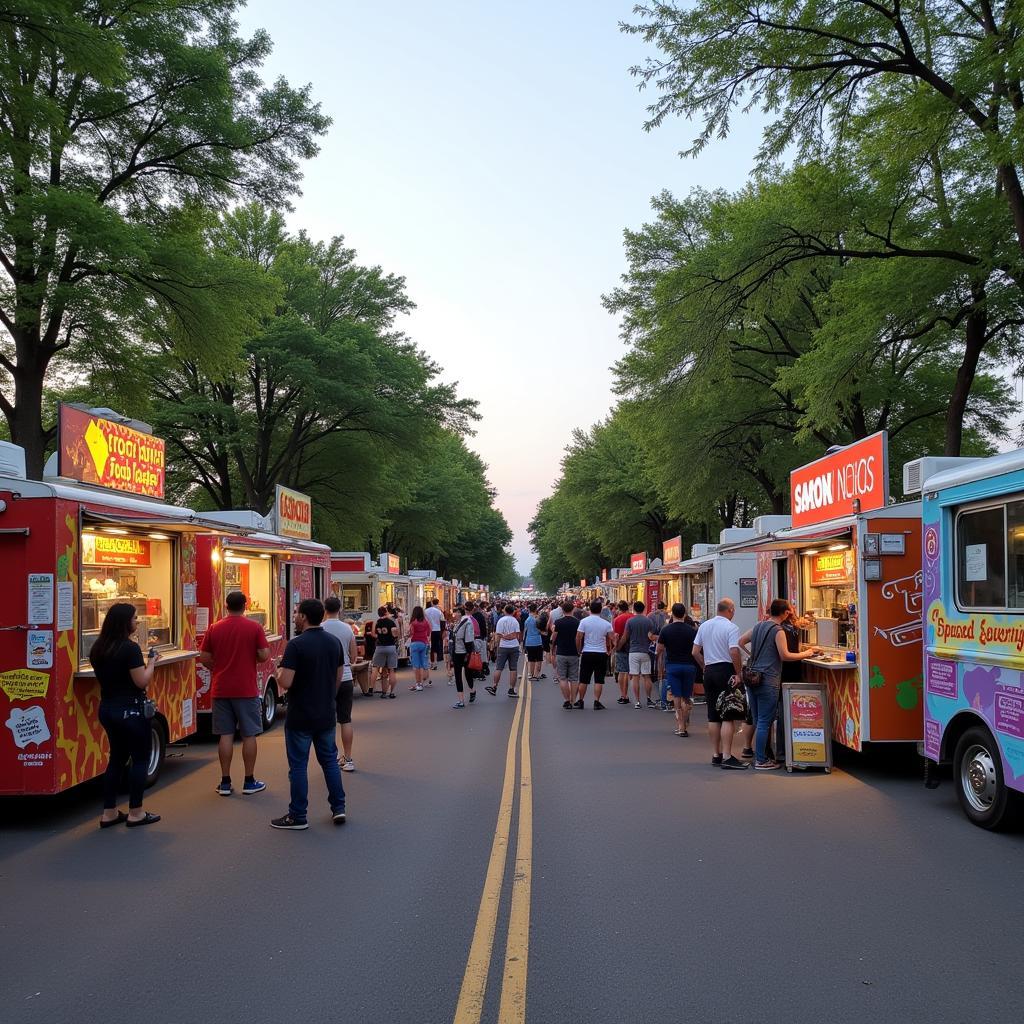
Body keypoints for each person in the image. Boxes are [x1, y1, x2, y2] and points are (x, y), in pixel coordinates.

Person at [271, 599, 346, 829]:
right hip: (325, 713)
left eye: (296, 613)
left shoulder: (296, 645)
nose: (294, 617)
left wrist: (278, 669)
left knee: (298, 766)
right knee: (330, 762)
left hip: (300, 715)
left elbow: (286, 682)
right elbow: (338, 677)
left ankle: (298, 815)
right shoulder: (334, 643)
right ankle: (339, 808)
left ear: (303, 617)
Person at [91, 603, 161, 828]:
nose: (137, 621)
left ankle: (109, 812)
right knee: (140, 759)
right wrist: (151, 663)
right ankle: (136, 812)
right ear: (124, 622)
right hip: (131, 710)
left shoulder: (98, 648)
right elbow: (141, 681)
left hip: (108, 709)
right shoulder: (129, 649)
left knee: (116, 759)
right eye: (134, 618)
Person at [198, 590, 271, 797]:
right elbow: (264, 655)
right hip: (246, 688)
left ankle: (225, 782)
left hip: (221, 688)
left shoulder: (215, 628)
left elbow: (204, 657)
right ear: (245, 606)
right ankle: (249, 781)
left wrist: (217, 667)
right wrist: (251, 658)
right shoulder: (254, 627)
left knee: (225, 735)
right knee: (249, 734)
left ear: (226, 606)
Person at [739, 599, 821, 769]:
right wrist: (807, 653)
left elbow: (740, 641)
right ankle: (761, 760)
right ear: (785, 613)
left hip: (752, 676)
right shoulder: (778, 630)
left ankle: (760, 756)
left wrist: (752, 657)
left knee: (757, 719)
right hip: (768, 678)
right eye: (789, 611)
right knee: (764, 721)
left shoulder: (758, 626)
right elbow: (785, 656)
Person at [692, 598, 747, 769]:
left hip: (709, 671)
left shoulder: (705, 625)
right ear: (730, 610)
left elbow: (694, 651)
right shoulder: (731, 627)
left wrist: (704, 666)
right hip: (725, 670)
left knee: (713, 715)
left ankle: (716, 754)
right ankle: (728, 756)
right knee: (728, 714)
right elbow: (733, 651)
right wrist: (738, 673)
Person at [322, 596, 358, 772]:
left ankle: (330, 757)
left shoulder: (319, 628)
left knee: (327, 720)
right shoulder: (347, 629)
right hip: (345, 678)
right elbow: (353, 656)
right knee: (345, 720)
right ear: (340, 609)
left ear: (325, 609)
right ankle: (349, 758)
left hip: (323, 681)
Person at [656, 603, 698, 737]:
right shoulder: (692, 630)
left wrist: (661, 668)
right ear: (684, 614)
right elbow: (697, 649)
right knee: (686, 696)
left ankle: (681, 726)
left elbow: (659, 650)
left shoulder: (666, 630)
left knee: (676, 696)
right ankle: (685, 722)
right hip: (689, 666)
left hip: (673, 666)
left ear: (672, 614)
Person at [575, 599, 614, 709]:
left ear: (590, 609)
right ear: (600, 610)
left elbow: (578, 637)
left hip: (587, 652)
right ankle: (596, 702)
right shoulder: (606, 624)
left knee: (583, 679)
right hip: (601, 653)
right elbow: (613, 638)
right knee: (599, 679)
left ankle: (580, 700)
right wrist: (611, 651)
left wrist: (579, 650)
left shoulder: (584, 622)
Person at [620, 600, 656, 709]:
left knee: (635, 676)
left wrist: (618, 646)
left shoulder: (630, 621)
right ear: (644, 609)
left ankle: (637, 701)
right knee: (646, 676)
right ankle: (649, 699)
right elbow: (651, 636)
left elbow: (625, 636)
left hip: (633, 651)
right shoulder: (649, 621)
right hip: (646, 651)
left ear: (634, 609)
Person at [487, 604, 522, 698]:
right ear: (513, 612)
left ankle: (494, 687)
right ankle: (511, 689)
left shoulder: (501, 621)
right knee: (513, 668)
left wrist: (499, 644)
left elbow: (498, 635)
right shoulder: (515, 621)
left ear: (505, 611)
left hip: (503, 646)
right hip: (514, 646)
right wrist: (510, 637)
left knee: (499, 668)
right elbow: (516, 635)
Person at [551, 600, 580, 708]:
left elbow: (554, 637)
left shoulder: (558, 622)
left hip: (561, 652)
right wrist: (579, 650)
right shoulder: (577, 622)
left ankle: (566, 700)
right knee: (574, 678)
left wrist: (552, 646)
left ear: (562, 610)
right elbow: (579, 637)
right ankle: (573, 700)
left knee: (563, 678)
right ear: (573, 609)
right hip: (573, 652)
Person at [450, 606, 478, 708]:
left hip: (465, 653)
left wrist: (468, 654)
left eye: (456, 612)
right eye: (454, 612)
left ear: (460, 613)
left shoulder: (467, 623)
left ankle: (472, 690)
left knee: (468, 674)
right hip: (456, 652)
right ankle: (461, 700)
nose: (454, 614)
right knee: (457, 676)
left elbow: (469, 641)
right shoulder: (456, 624)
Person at [372, 605, 399, 699]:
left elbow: (373, 634)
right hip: (390, 647)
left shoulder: (377, 622)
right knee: (391, 670)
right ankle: (392, 692)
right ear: (386, 612)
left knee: (378, 668)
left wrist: (380, 637)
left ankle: (379, 691)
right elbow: (395, 634)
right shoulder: (390, 622)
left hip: (380, 647)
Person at [611, 600, 633, 704]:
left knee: (622, 671)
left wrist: (615, 646)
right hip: (633, 646)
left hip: (621, 647)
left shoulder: (617, 619)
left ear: (619, 609)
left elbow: (616, 635)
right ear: (628, 607)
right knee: (630, 672)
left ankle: (623, 695)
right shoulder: (633, 617)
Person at [407, 605, 431, 691]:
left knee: (416, 665)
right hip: (424, 643)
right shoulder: (425, 622)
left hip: (414, 644)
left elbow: (410, 633)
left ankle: (418, 683)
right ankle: (425, 680)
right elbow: (428, 633)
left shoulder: (413, 623)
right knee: (424, 663)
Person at [523, 603, 544, 681]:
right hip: (538, 641)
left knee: (531, 659)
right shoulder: (537, 619)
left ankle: (530, 674)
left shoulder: (527, 620)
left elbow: (525, 632)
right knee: (539, 659)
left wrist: (523, 643)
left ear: (529, 610)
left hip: (529, 641)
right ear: (536, 610)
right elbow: (540, 630)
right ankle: (536, 675)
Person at [425, 598, 445, 672]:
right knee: (435, 646)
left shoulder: (425, 611)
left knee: (428, 646)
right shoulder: (438, 611)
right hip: (437, 630)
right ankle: (435, 662)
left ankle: (430, 662)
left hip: (428, 631)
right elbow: (442, 620)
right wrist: (443, 631)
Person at [362, 617, 377, 695]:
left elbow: (364, 635)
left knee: (370, 666)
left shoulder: (368, 625)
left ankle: (369, 685)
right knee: (374, 666)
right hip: (373, 648)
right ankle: (371, 685)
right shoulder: (373, 625)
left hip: (368, 647)